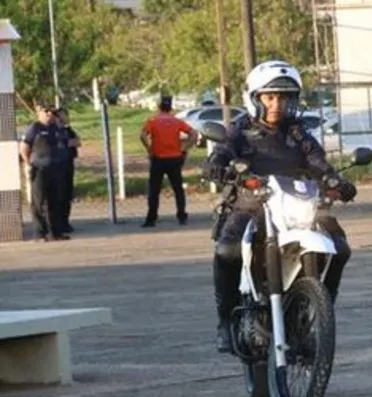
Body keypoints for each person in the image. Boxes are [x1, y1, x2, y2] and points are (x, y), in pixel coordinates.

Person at [206, 60, 358, 354]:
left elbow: (318, 163)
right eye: (270, 97)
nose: (277, 104)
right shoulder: (239, 131)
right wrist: (218, 167)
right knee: (227, 251)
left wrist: (335, 182)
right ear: (255, 98)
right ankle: (225, 322)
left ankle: (320, 310)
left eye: (284, 97)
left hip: (296, 204)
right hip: (251, 204)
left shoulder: (298, 134)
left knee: (340, 248)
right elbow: (220, 155)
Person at [140, 95, 197, 227]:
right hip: (175, 158)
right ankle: (182, 215)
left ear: (159, 107)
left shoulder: (153, 121)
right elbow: (193, 134)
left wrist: (149, 148)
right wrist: (184, 148)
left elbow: (142, 135)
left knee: (154, 190)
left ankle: (151, 218)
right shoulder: (176, 121)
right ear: (170, 107)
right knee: (178, 188)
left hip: (158, 159)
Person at [19, 103, 71, 242]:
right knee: (39, 201)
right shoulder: (34, 128)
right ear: (39, 113)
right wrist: (28, 163)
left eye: (52, 111)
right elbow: (24, 147)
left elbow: (66, 139)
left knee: (55, 200)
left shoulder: (56, 127)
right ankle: (39, 233)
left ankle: (55, 232)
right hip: (39, 169)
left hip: (56, 168)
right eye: (46, 111)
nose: (49, 114)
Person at [54, 108, 80, 234]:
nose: (67, 118)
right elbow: (58, 144)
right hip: (58, 166)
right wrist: (67, 142)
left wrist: (68, 142)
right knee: (58, 195)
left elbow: (77, 141)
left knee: (67, 195)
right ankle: (57, 223)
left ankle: (65, 222)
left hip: (68, 164)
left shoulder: (68, 130)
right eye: (64, 115)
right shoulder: (54, 130)